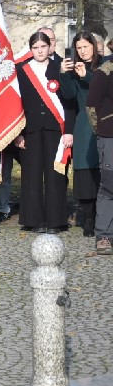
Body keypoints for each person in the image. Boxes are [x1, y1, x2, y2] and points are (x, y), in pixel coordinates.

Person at [15, 31, 75, 233]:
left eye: (43, 47)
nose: (39, 51)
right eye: (35, 47)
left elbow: (69, 102)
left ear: (50, 47)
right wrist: (18, 132)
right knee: (31, 175)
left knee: (55, 174)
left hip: (55, 129)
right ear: (30, 49)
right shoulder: (22, 70)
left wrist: (69, 131)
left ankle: (55, 221)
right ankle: (33, 220)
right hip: (29, 129)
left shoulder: (60, 69)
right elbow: (16, 104)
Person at [61, 32, 101, 237]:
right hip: (83, 124)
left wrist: (88, 76)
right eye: (78, 48)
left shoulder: (103, 65)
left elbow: (103, 89)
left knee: (102, 169)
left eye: (85, 46)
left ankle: (102, 217)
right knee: (85, 170)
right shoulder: (75, 70)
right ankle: (88, 215)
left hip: (103, 121)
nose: (82, 51)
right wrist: (64, 74)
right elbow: (68, 95)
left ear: (93, 46)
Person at [85, 50, 113, 255]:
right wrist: (103, 130)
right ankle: (104, 236)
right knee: (109, 186)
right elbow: (91, 107)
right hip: (109, 136)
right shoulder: (103, 73)